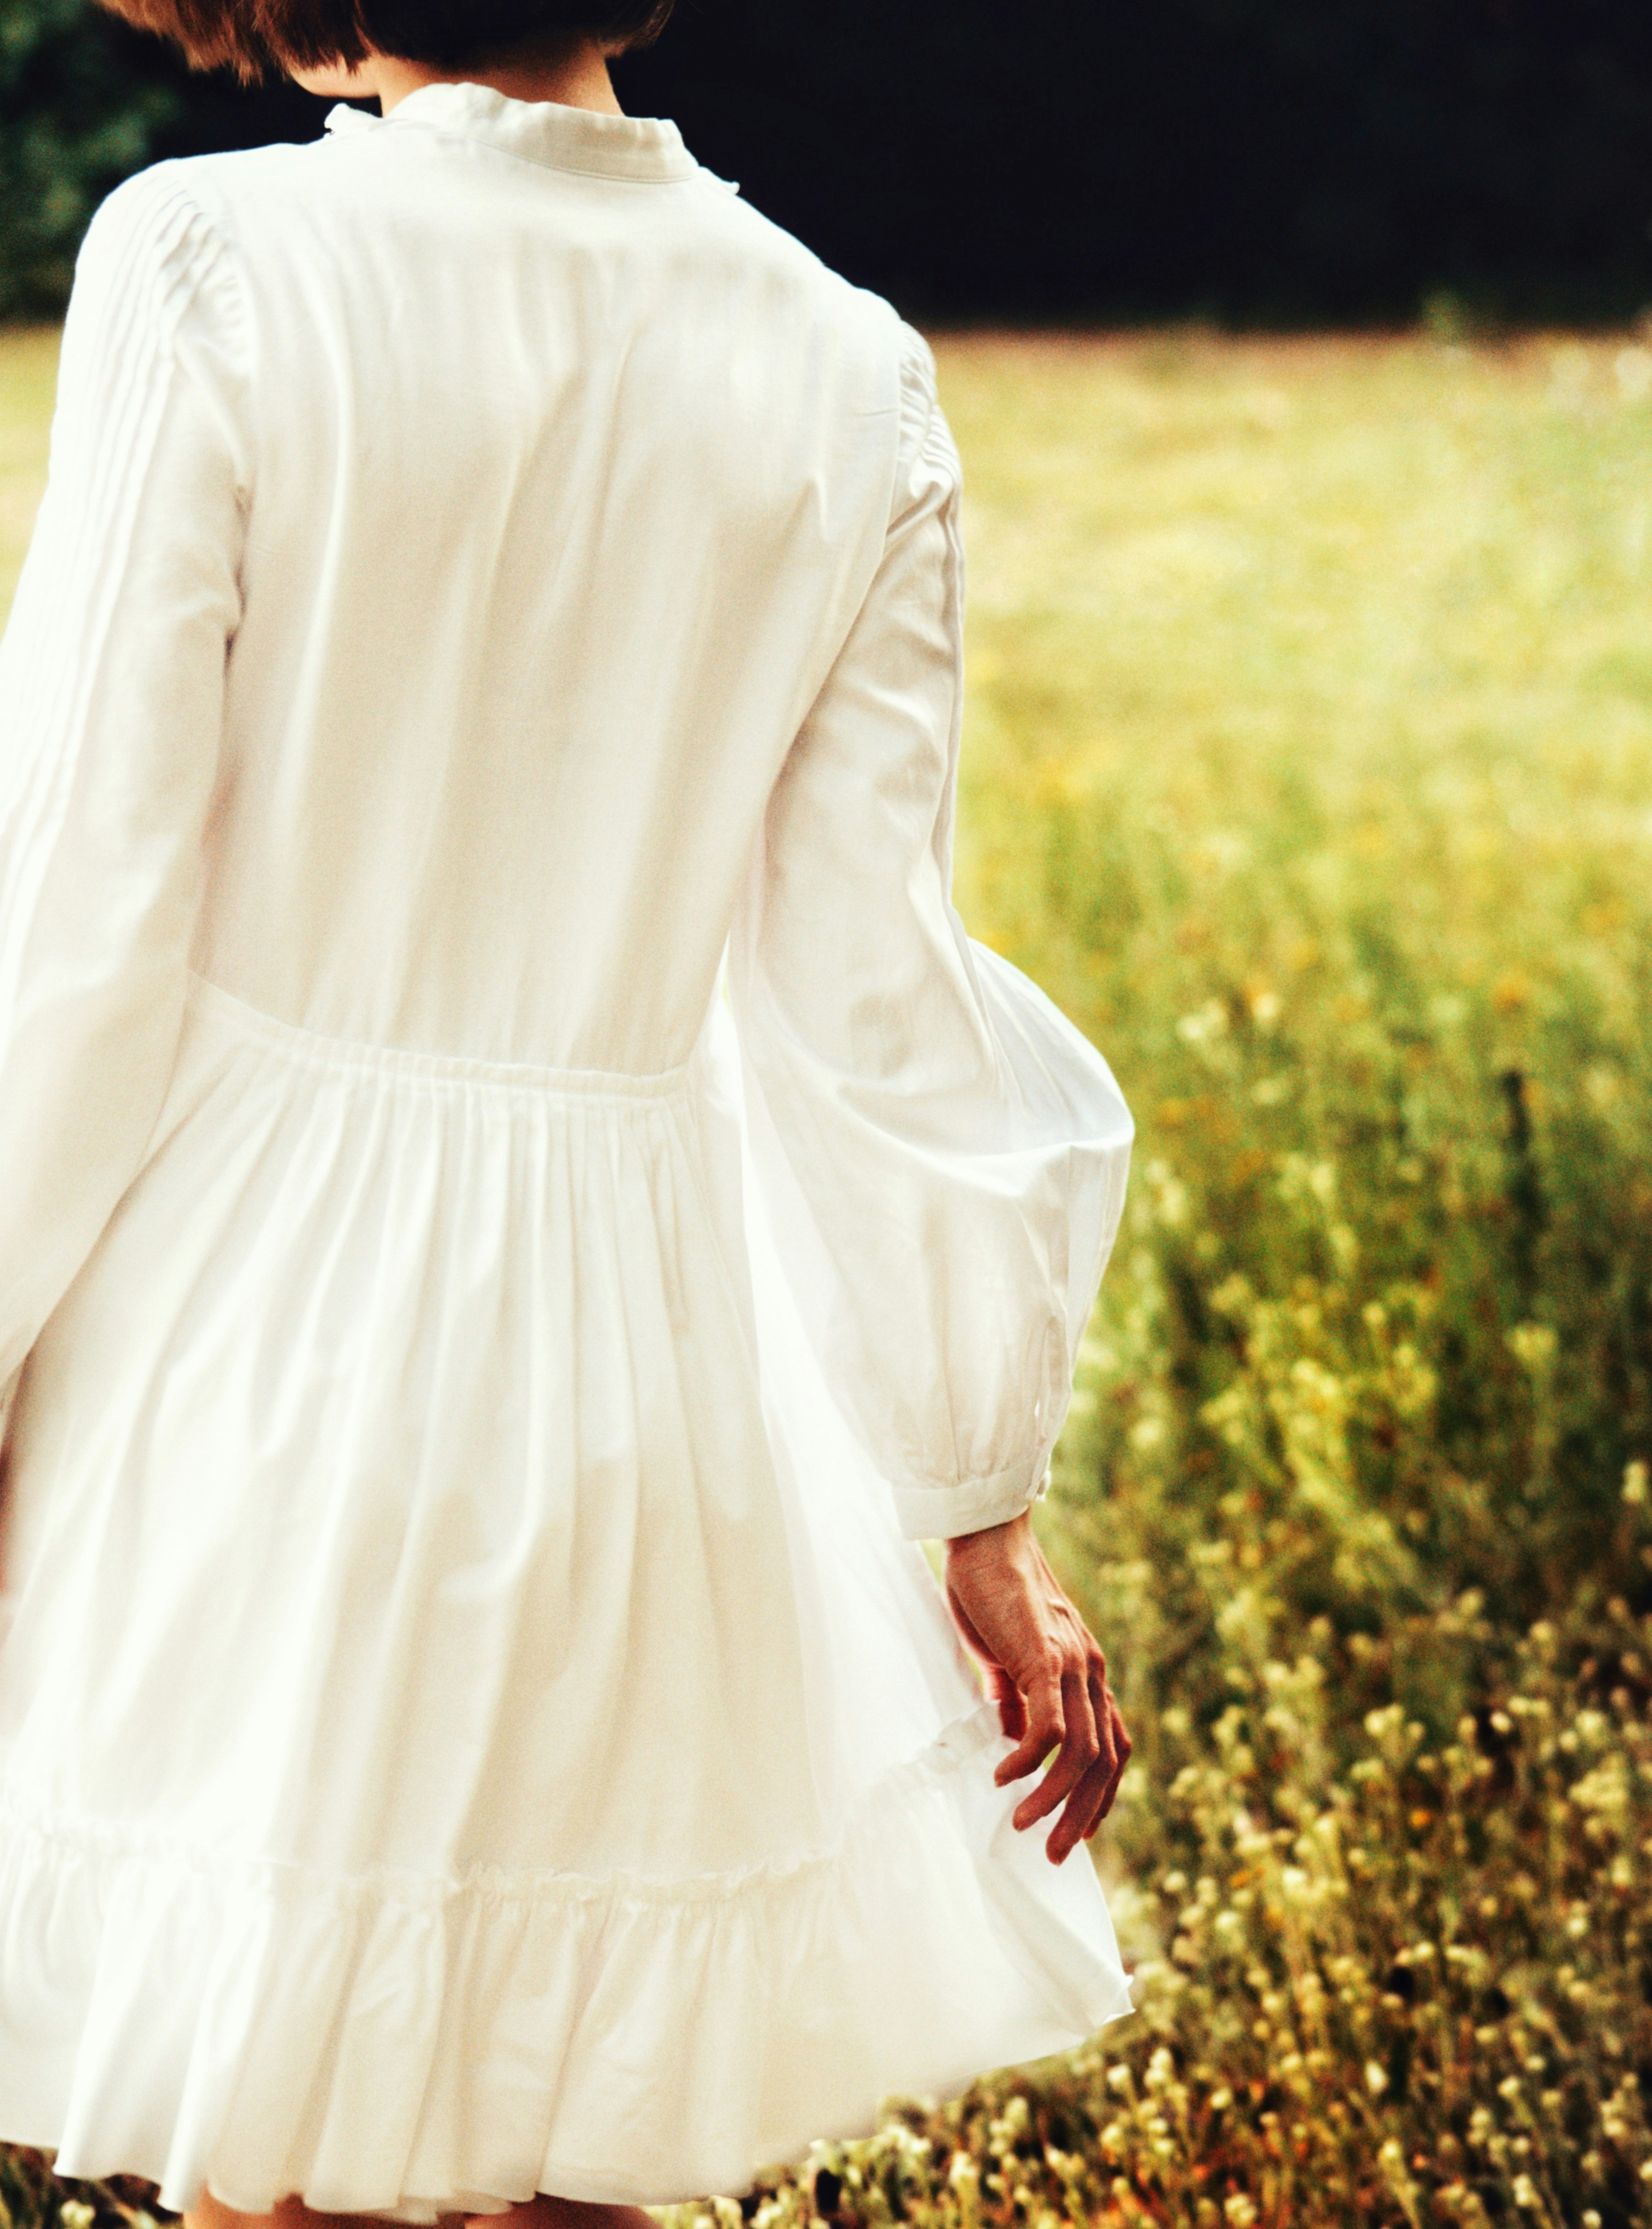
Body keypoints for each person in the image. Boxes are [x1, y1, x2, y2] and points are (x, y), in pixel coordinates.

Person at [0, 6, 1137, 2228]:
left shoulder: (210, 261)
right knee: (569, 2147)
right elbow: (868, 996)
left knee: (282, 2147)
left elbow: (79, 901)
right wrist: (976, 1491)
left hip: (253, 1338)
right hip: (641, 1374)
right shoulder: (844, 361)